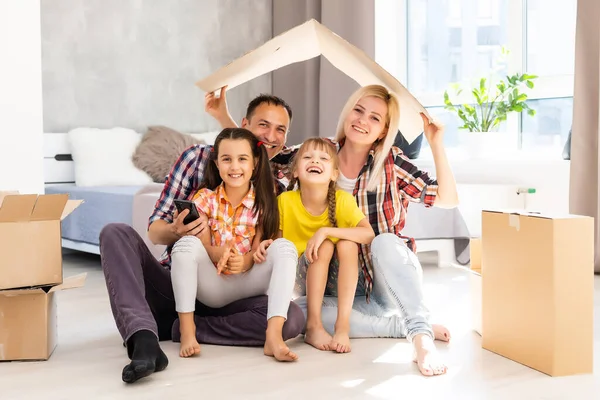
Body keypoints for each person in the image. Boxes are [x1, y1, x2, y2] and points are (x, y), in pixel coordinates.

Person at [207, 84, 458, 377]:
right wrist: (223, 116)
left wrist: (436, 143)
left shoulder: (392, 162)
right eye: (358, 110)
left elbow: (447, 199)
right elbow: (257, 155)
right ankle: (404, 325)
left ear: (384, 129)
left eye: (375, 118)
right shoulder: (318, 151)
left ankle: (421, 338)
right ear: (347, 111)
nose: (363, 121)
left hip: (383, 280)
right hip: (333, 288)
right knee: (300, 315)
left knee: (386, 242)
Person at [99, 92, 305, 384]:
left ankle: (184, 327)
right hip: (181, 280)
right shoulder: (196, 162)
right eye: (263, 125)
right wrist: (178, 231)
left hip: (235, 296)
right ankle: (143, 339)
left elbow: (268, 242)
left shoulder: (273, 189)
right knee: (115, 233)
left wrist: (249, 258)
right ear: (244, 125)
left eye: (280, 129)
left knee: (293, 318)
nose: (271, 136)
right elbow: (155, 232)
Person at [171, 128, 299, 362]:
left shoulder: (266, 201)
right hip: (215, 287)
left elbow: (259, 246)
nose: (234, 167)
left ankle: (273, 337)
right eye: (227, 159)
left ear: (255, 163)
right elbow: (203, 246)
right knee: (185, 245)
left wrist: (247, 259)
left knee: (285, 247)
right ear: (217, 163)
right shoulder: (205, 199)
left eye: (242, 159)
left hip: (250, 283)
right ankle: (188, 331)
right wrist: (216, 252)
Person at [274, 138, 374, 354]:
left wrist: (326, 231)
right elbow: (278, 245)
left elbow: (368, 234)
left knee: (346, 244)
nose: (315, 161)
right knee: (326, 247)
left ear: (334, 174)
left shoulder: (343, 200)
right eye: (308, 157)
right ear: (296, 172)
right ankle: (313, 325)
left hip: (338, 281)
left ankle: (342, 325)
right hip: (300, 279)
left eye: (323, 159)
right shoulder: (284, 201)